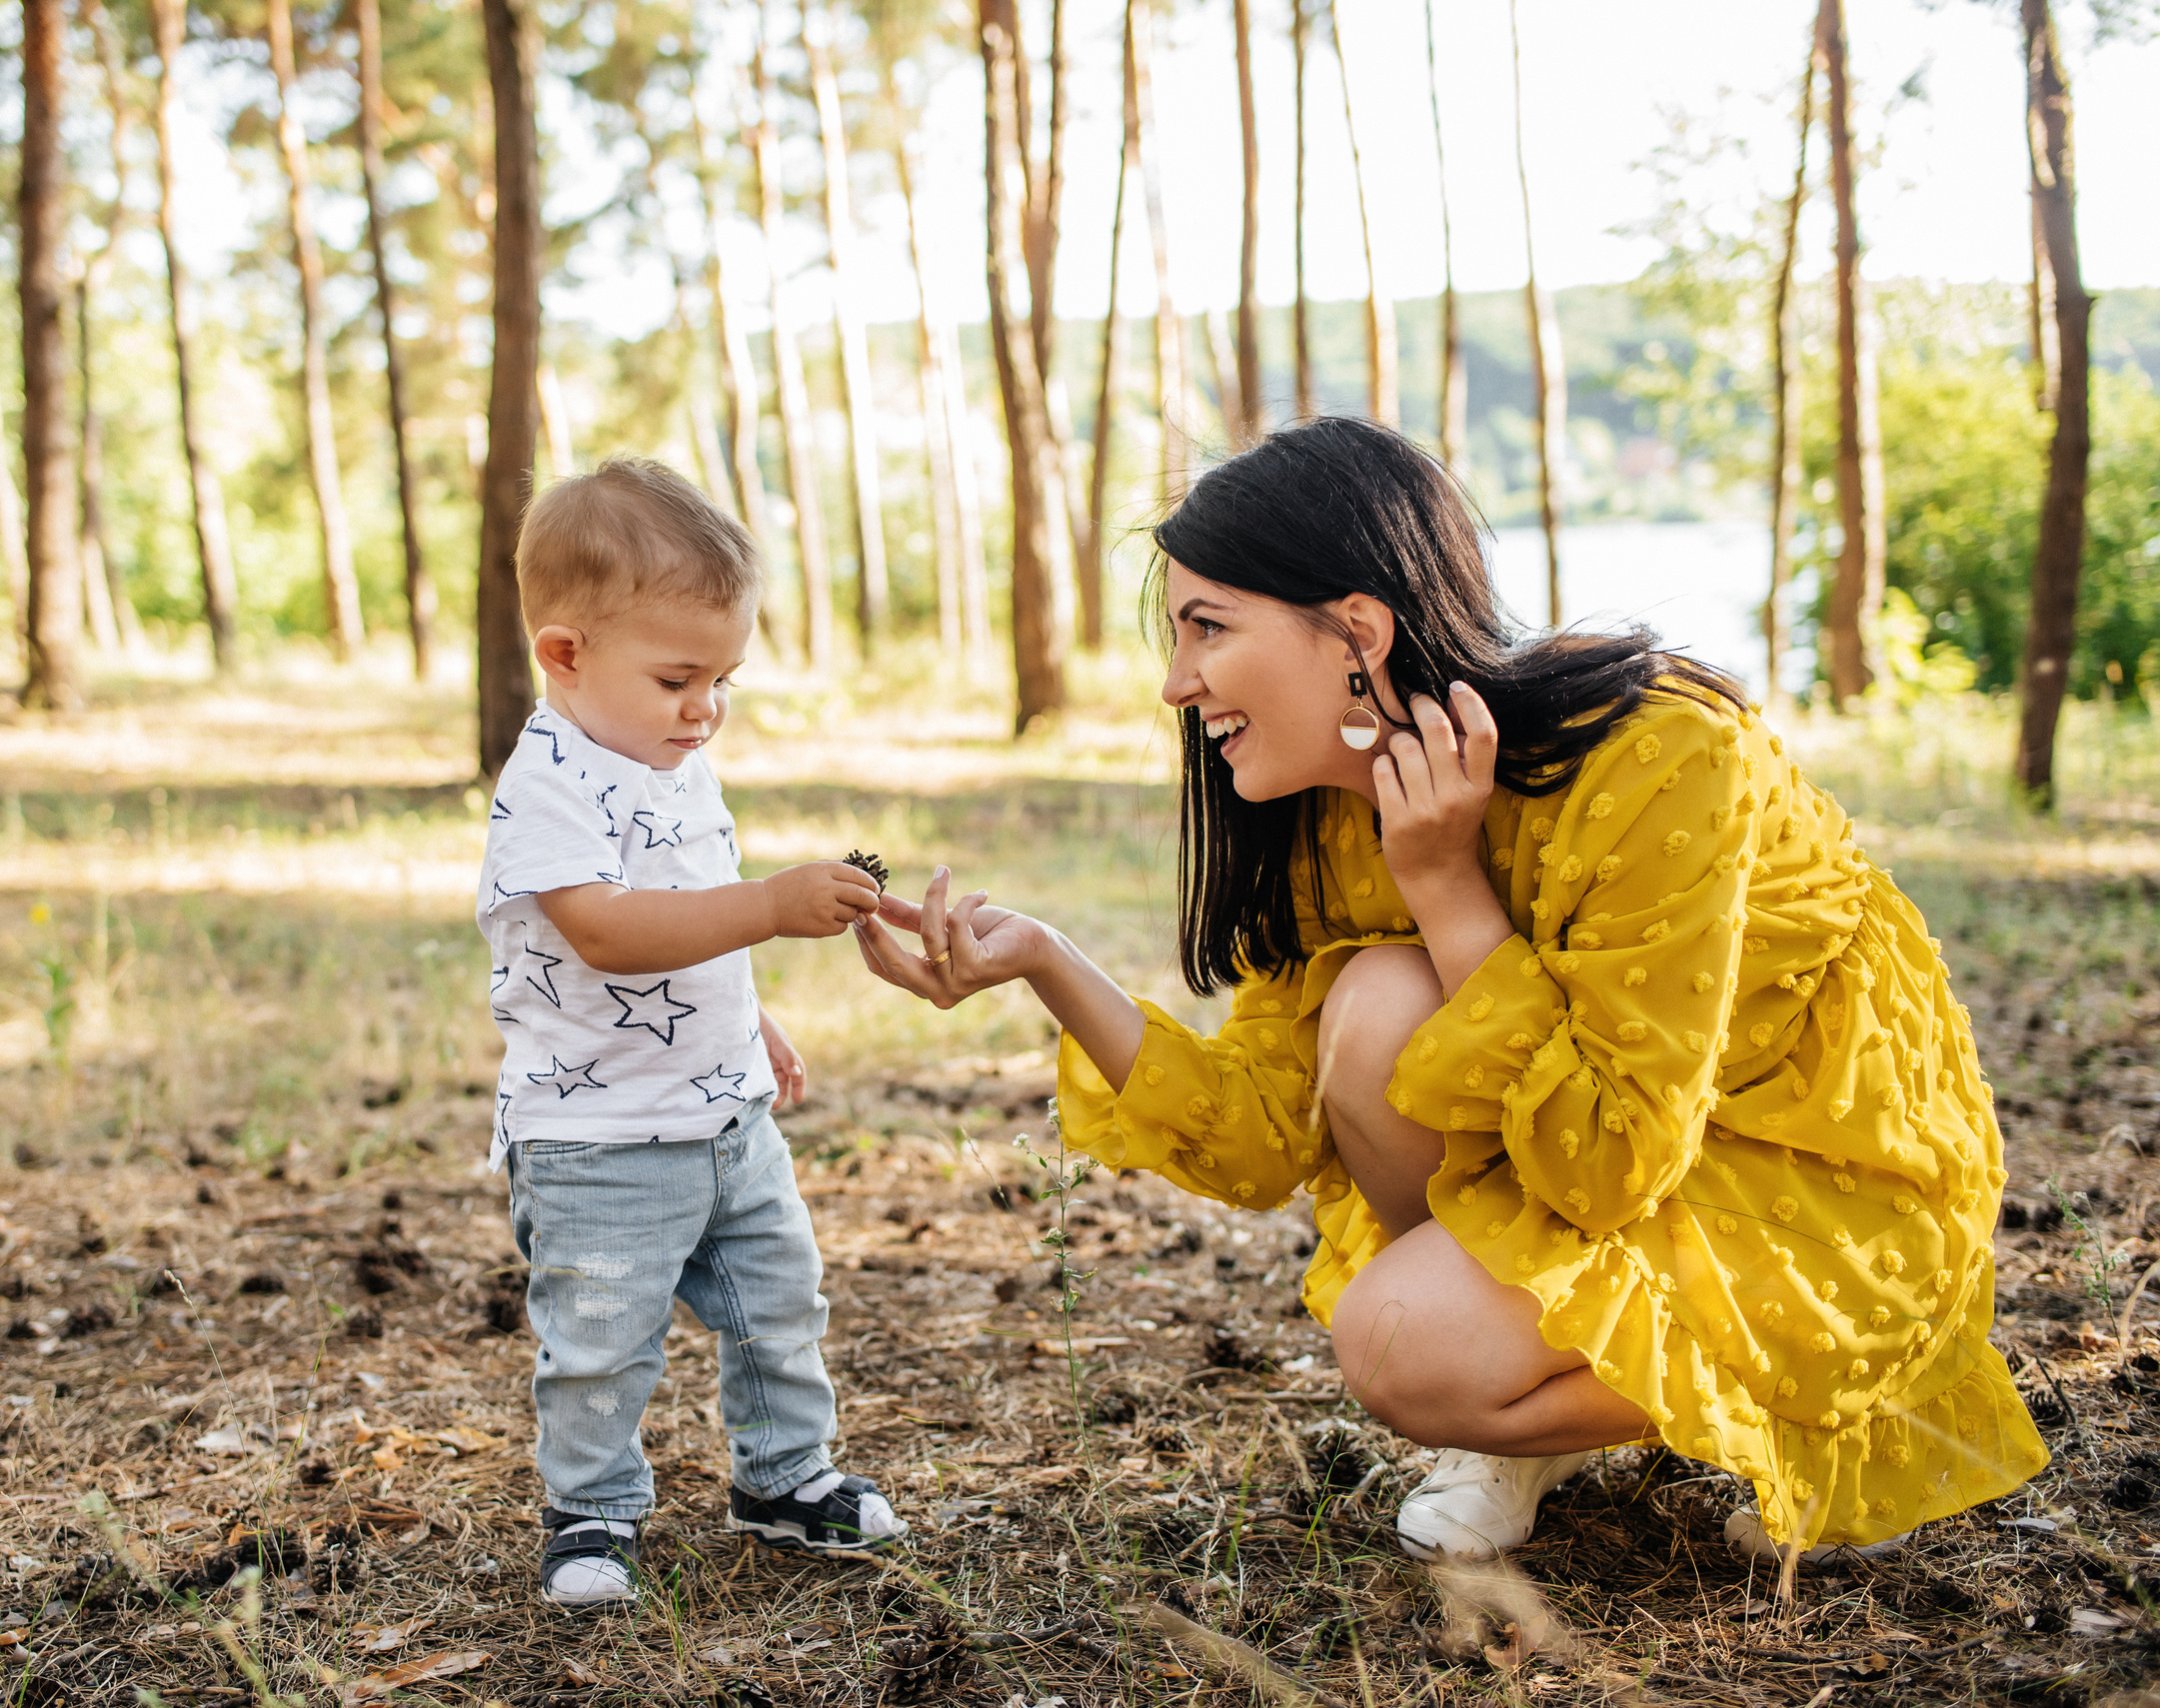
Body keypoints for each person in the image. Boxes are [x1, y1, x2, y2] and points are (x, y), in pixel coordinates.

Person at [852, 419, 2044, 1563]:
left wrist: (1446, 886)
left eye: (1205, 627)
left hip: (1811, 1174)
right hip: (1610, 1176)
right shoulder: (1320, 814)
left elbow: (1613, 1158)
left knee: (1399, 1341)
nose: (1176, 682)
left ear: (1358, 629)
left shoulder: (1662, 756)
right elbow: (1263, 1139)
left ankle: (1808, 1394)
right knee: (1372, 1005)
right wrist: (1049, 961)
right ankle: (1525, 1395)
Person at [478, 457, 910, 1608]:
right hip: (599, 1136)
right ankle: (590, 1511)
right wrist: (771, 906)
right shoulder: (547, 782)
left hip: (725, 1116)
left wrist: (746, 1014)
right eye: (678, 677)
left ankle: (782, 1477)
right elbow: (611, 934)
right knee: (603, 1336)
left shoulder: (677, 765)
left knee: (779, 1300)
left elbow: (687, 905)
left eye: (722, 677)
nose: (704, 706)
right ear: (565, 653)